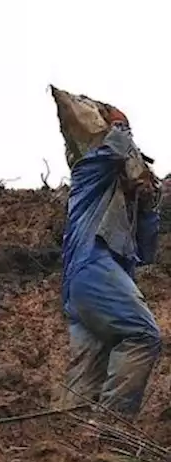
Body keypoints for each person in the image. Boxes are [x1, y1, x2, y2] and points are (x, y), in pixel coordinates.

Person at [61, 107, 162, 417]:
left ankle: (61, 445)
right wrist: (120, 128)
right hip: (92, 269)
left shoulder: (122, 201)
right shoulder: (88, 173)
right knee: (142, 335)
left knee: (86, 372)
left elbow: (146, 253)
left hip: (91, 284)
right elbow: (113, 148)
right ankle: (111, 429)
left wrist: (147, 205)